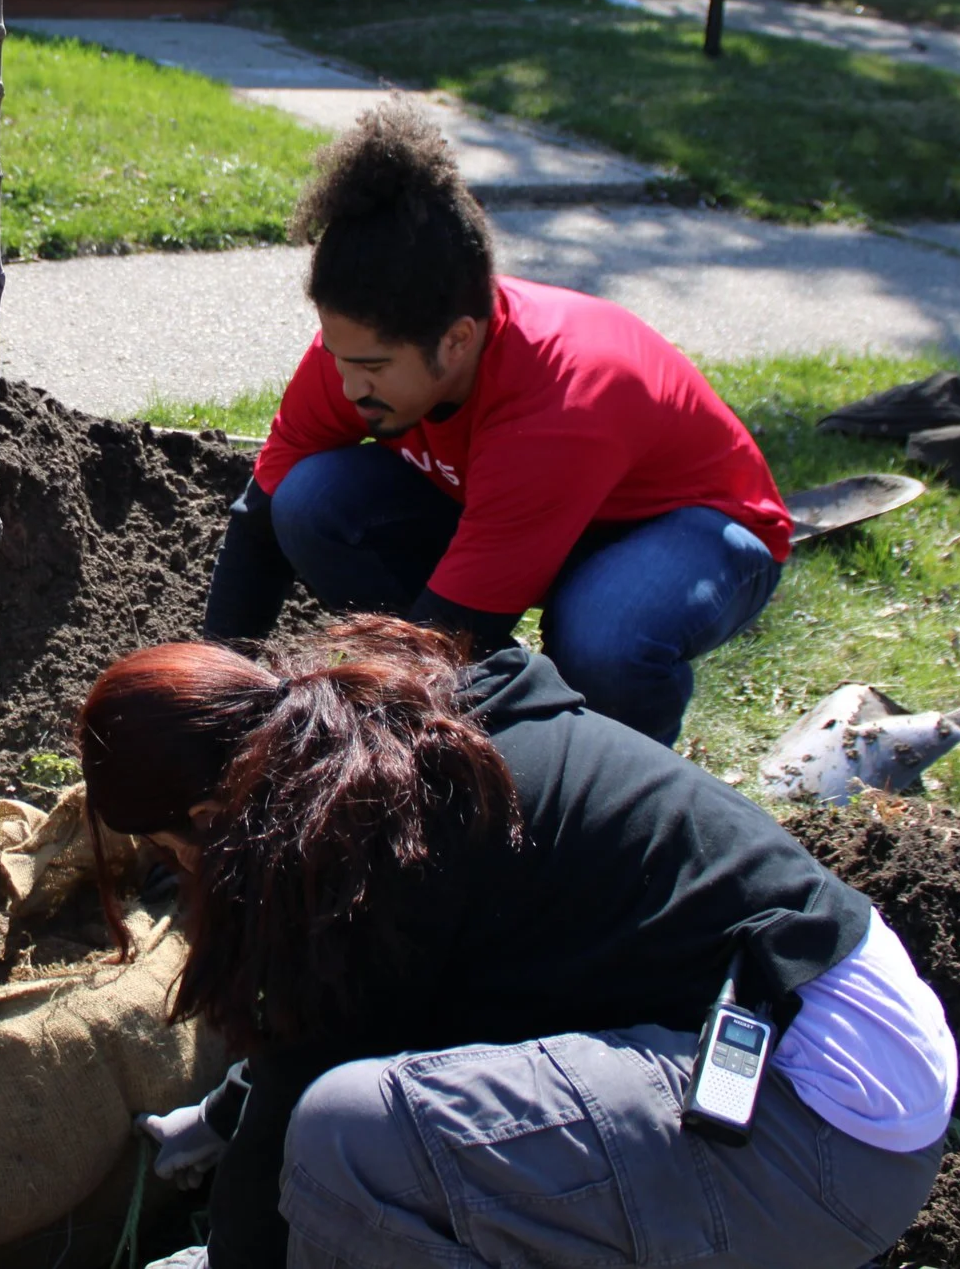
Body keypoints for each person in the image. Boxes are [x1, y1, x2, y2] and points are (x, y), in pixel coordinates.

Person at [77, 616, 955, 1269]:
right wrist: (231, 1113)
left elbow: (311, 1074)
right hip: (843, 1042)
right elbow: (335, 1030)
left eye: (170, 848)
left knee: (352, 1143)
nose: (182, 868)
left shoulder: (361, 838)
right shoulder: (394, 739)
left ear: (204, 813)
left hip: (824, 1126)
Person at [202, 100, 792, 745]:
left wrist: (345, 747)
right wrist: (210, 701)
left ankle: (606, 793)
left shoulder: (557, 408)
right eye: (338, 357)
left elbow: (444, 638)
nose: (348, 387)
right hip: (524, 510)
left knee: (601, 636)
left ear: (457, 341)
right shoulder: (359, 352)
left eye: (370, 367)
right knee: (310, 502)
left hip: (692, 528)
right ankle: (494, 730)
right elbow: (260, 518)